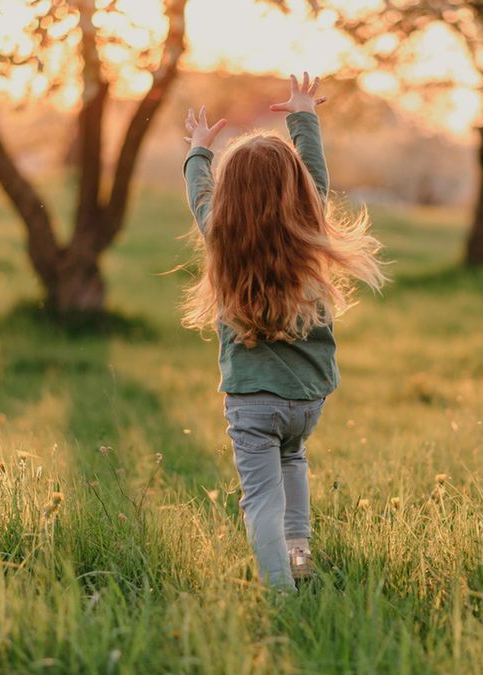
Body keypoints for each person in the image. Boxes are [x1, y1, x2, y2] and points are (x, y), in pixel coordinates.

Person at [179, 72, 386, 590]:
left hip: (252, 400)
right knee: (293, 460)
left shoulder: (221, 234)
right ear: (297, 194)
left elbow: (198, 195)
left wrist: (198, 152)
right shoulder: (308, 230)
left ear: (229, 199)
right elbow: (314, 176)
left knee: (262, 497)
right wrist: (303, 116)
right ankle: (300, 560)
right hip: (307, 399)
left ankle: (279, 591)